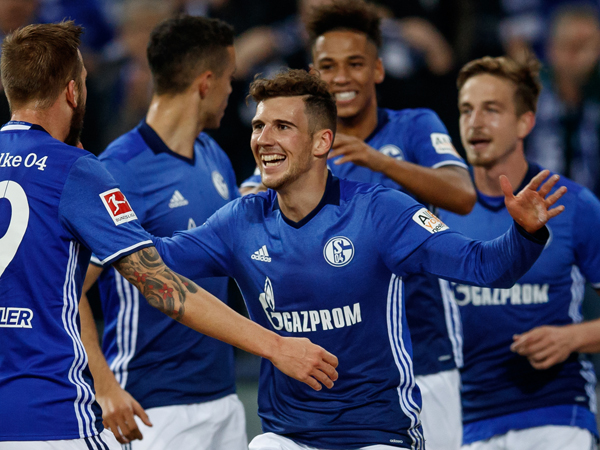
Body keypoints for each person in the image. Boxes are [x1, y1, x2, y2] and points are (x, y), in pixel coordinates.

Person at [152, 68, 565, 450]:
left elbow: (484, 266)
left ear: (321, 142)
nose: (263, 138)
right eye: (259, 126)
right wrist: (111, 210)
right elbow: (154, 260)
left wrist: (524, 233)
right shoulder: (240, 220)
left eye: (282, 126)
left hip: (377, 435)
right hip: (288, 436)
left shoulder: (381, 212)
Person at [0, 21, 338, 449]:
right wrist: (276, 346)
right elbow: (161, 286)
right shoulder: (84, 169)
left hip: (215, 392)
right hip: (72, 413)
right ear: (72, 92)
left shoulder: (211, 154)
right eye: (83, 82)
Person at [241, 2, 475, 447]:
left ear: (378, 69)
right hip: (336, 368)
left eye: (355, 63)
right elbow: (250, 201)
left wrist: (376, 160)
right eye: (328, 66)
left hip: (424, 353)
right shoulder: (298, 145)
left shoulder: (414, 125)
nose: (342, 77)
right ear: (314, 75)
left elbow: (462, 194)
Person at [78, 15, 247, 449]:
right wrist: (104, 386)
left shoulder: (214, 155)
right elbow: (69, 290)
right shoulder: (118, 171)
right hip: (152, 406)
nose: (232, 90)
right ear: (206, 83)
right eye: (229, 79)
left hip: (224, 396)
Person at [438, 55, 600, 450]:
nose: (475, 122)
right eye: (466, 110)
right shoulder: (436, 212)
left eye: (491, 109)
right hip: (468, 422)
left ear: (525, 122)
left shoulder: (573, 205)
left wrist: (573, 337)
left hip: (559, 413)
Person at [525, 3, 600, 199]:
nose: (579, 56)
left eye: (587, 46)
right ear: (551, 48)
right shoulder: (528, 94)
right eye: (570, 46)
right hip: (532, 207)